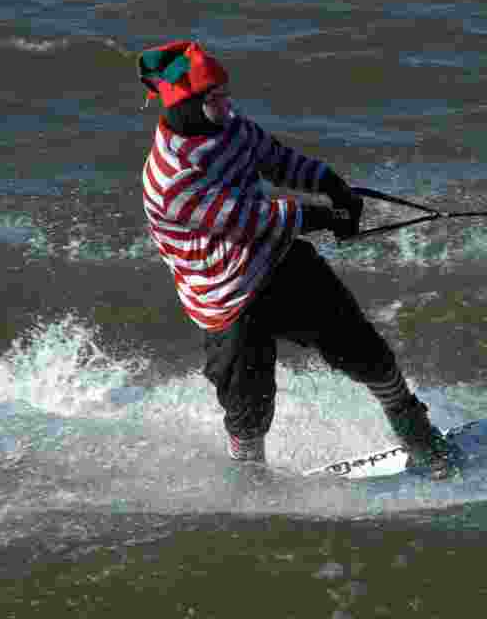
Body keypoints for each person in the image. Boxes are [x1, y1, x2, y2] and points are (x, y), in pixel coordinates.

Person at [137, 40, 459, 479]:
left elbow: (275, 160)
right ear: (188, 104)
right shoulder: (170, 177)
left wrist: (332, 184)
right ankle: (251, 481)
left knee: (369, 355)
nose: (228, 104)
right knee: (249, 410)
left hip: (278, 261)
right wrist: (323, 216)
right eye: (216, 98)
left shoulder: (229, 127)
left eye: (225, 93)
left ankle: (420, 437)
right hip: (226, 300)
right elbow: (249, 220)